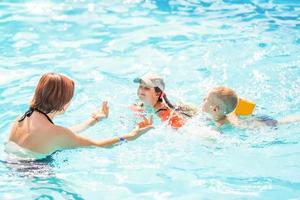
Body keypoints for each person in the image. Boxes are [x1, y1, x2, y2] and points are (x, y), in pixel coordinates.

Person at [6, 73, 153, 159]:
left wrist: (93, 120)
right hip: (37, 175)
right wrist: (131, 135)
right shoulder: (55, 133)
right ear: (63, 102)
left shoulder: (22, 117)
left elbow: (61, 135)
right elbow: (99, 145)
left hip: (12, 167)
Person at [202, 86, 300, 128]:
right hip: (247, 117)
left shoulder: (220, 123)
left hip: (257, 124)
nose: (203, 98)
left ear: (215, 109)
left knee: (281, 122)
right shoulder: (224, 113)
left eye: (206, 99)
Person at [131, 72, 197, 129]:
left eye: (147, 88)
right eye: (140, 86)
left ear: (158, 94)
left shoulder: (169, 117)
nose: (141, 90)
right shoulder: (136, 106)